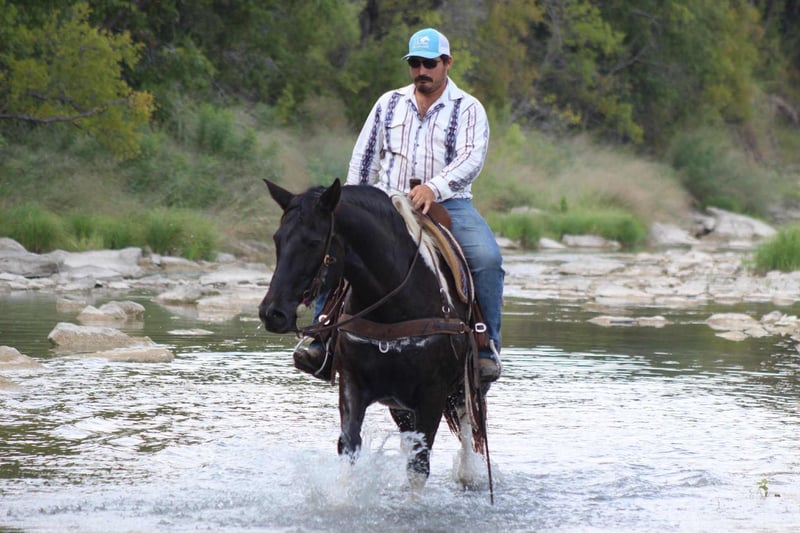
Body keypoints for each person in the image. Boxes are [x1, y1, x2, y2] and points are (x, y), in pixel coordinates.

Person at [293, 28, 504, 382]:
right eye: (415, 63)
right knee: (335, 245)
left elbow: (470, 159)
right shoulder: (388, 103)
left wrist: (433, 188)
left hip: (449, 203)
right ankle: (321, 335)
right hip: (387, 202)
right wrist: (351, 202)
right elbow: (365, 157)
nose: (422, 71)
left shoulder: (468, 108)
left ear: (447, 63)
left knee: (487, 259)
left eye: (429, 64)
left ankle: (485, 345)